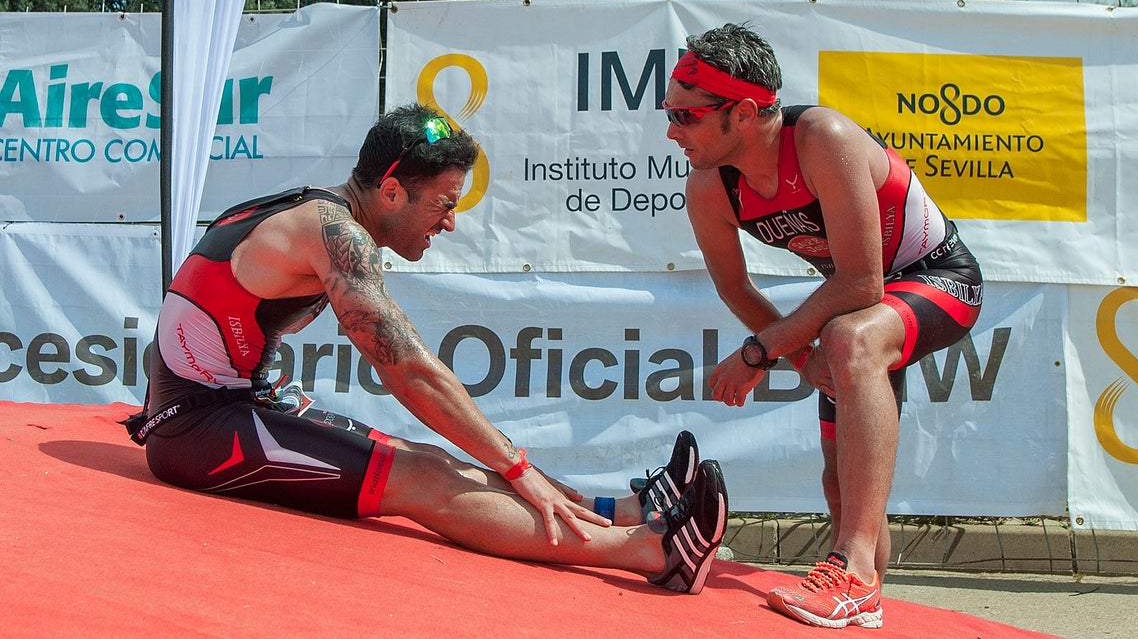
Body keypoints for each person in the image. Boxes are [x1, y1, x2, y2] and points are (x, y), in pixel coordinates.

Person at [123, 103, 727, 595]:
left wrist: (516, 467)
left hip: (222, 405)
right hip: (195, 431)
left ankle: (619, 511)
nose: (450, 223)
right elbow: (409, 372)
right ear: (391, 191)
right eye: (444, 204)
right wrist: (517, 468)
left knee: (428, 454)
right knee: (420, 477)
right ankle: (652, 552)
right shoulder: (333, 233)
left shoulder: (317, 209)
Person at [662, 24, 983, 627]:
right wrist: (801, 359)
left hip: (938, 278)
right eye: (669, 114)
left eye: (687, 116)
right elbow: (735, 288)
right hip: (861, 306)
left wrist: (760, 353)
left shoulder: (822, 138)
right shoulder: (708, 185)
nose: (672, 131)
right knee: (842, 481)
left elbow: (861, 283)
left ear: (744, 113)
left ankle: (854, 572)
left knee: (850, 339)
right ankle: (862, 599)